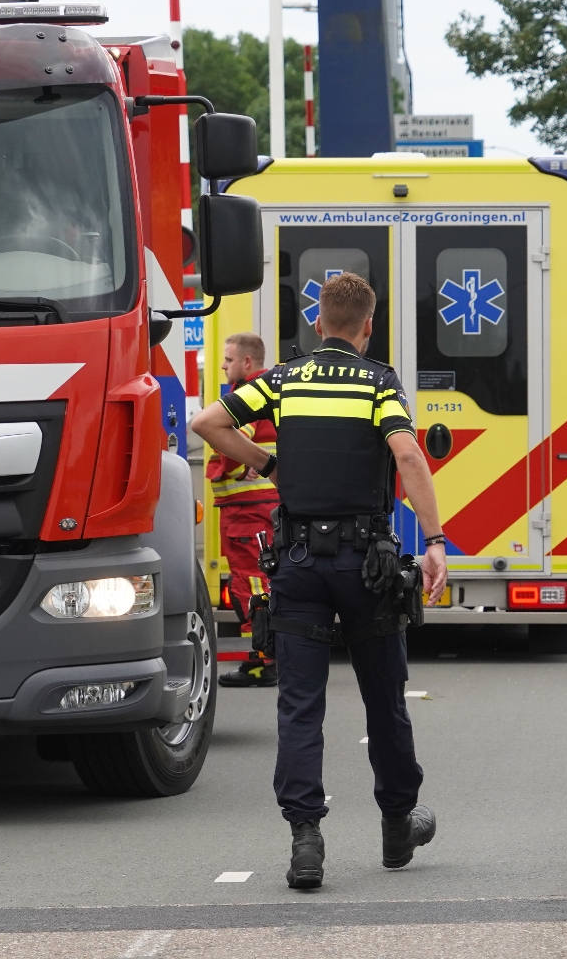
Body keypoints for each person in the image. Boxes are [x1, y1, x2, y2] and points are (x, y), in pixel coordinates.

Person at [191, 271, 447, 891]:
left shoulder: (282, 377)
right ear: (366, 327)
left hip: (298, 566)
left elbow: (208, 423)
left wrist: (270, 464)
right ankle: (395, 825)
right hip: (367, 567)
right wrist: (435, 541)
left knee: (300, 706)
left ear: (317, 324)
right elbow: (409, 455)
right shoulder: (379, 382)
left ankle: (306, 841)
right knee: (383, 699)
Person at [209, 332, 281, 688]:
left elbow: (231, 439)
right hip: (260, 509)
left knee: (252, 583)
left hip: (246, 513)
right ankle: (269, 655)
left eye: (229, 359)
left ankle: (261, 661)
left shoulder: (246, 395)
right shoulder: (273, 389)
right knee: (265, 579)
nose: (223, 365)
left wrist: (240, 461)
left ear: (247, 363)